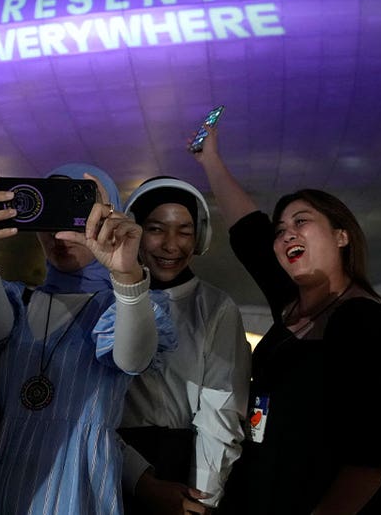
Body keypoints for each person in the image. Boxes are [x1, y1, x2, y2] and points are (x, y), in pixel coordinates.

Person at [192, 123, 381, 515]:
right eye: (280, 230)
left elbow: (375, 453)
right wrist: (209, 159)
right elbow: (249, 233)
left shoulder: (364, 321)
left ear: (342, 236)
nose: (286, 234)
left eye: (301, 221)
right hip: (266, 491)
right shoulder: (294, 305)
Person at [0, 165, 177, 515]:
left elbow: (133, 358)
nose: (59, 233)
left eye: (78, 215)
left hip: (75, 489)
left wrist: (126, 274)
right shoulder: (18, 302)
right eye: (48, 215)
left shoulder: (124, 307)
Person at [118, 177, 251, 515]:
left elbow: (219, 415)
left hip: (184, 465)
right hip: (110, 460)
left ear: (200, 237)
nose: (171, 245)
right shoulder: (109, 299)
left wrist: (202, 499)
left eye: (185, 231)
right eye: (156, 229)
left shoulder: (215, 307)